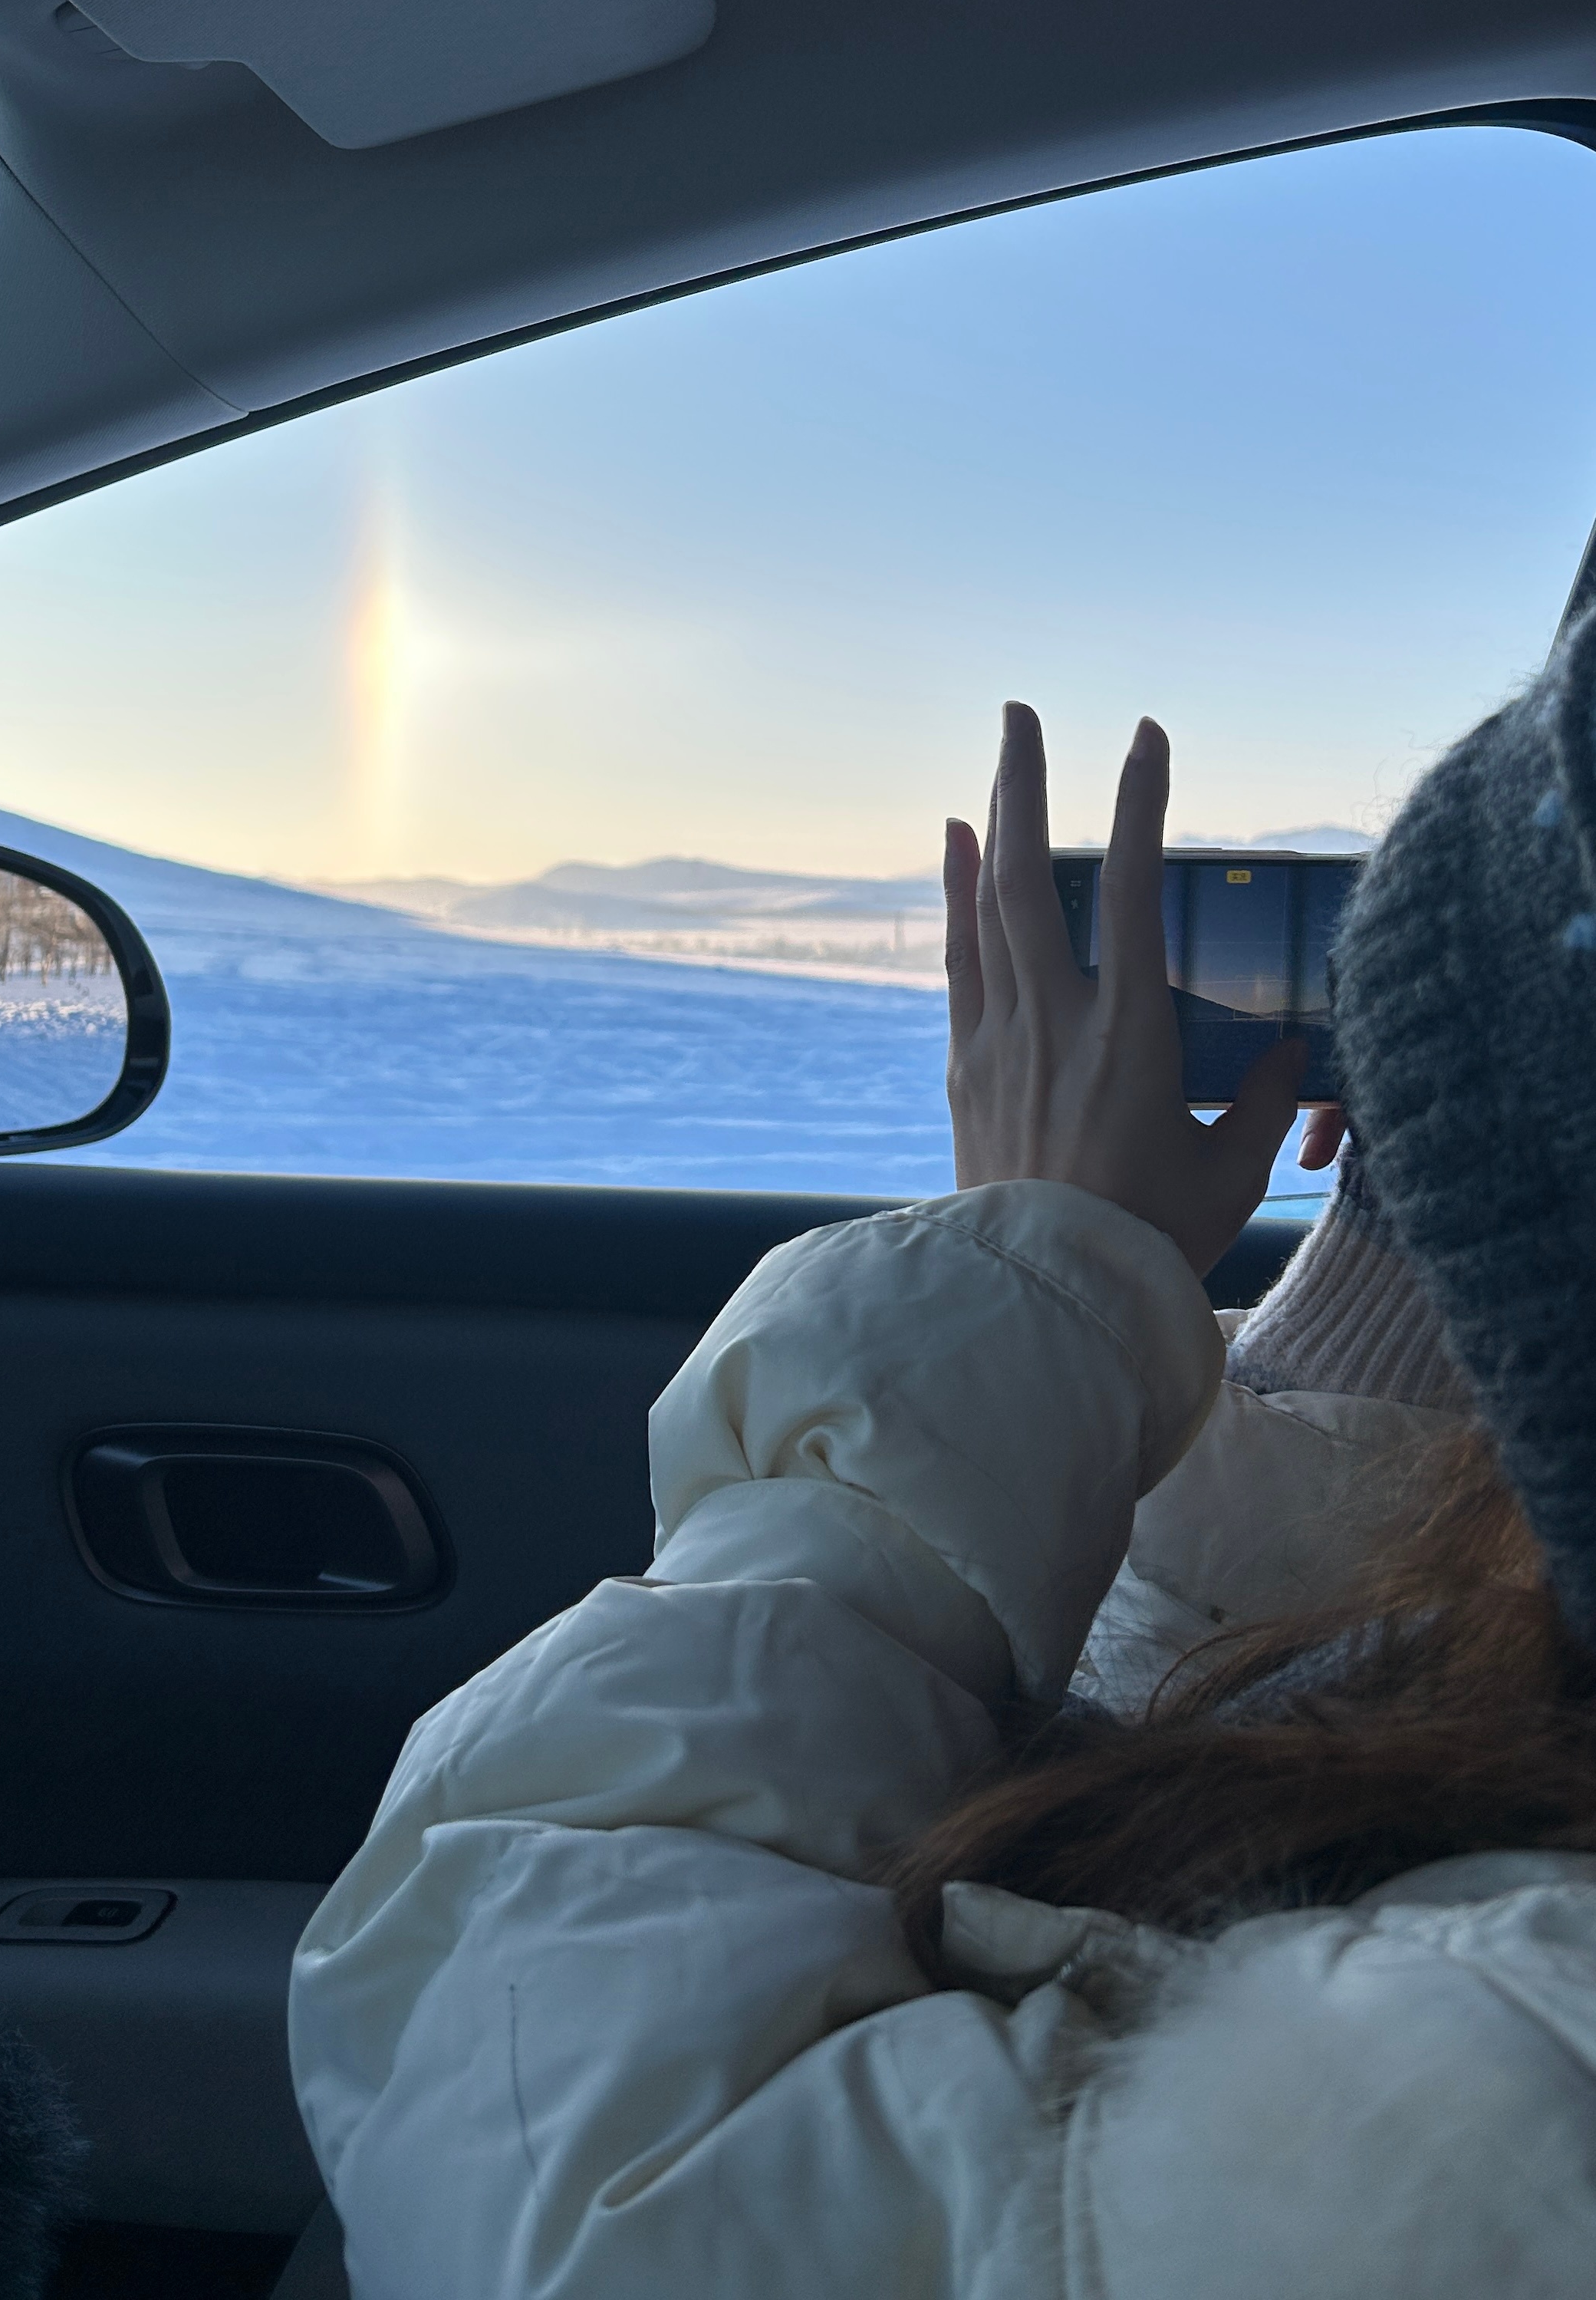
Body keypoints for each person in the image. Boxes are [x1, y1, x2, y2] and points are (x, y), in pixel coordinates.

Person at [288, 635, 1596, 2297]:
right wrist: (1421, 1280)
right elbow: (1293, 1727)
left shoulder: (1532, 2057)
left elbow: (550, 2157)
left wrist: (1048, 1267)